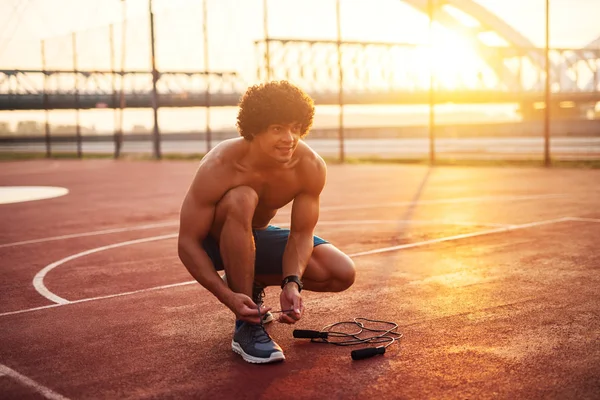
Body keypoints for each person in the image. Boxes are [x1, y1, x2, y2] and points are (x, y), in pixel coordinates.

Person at [177, 80, 356, 364]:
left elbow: (301, 233)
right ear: (254, 129)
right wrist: (228, 297)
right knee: (242, 197)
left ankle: (254, 280)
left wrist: (292, 283)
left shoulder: (309, 166)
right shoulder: (221, 164)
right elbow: (187, 242)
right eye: (277, 129)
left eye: (295, 128)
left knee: (340, 271)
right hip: (212, 245)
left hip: (254, 235)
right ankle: (247, 325)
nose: (289, 138)